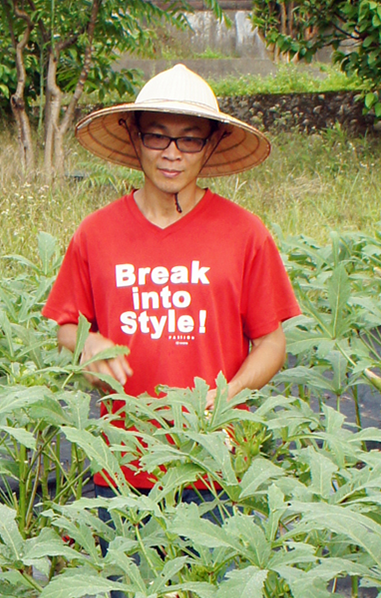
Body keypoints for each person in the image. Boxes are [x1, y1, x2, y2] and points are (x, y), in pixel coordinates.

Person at [42, 63, 301, 492]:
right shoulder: (96, 232)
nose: (172, 153)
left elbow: (271, 342)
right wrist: (87, 343)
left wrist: (233, 392)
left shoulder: (246, 233)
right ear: (134, 136)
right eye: (157, 135)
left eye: (191, 138)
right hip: (122, 465)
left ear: (212, 144)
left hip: (213, 461)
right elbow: (67, 326)